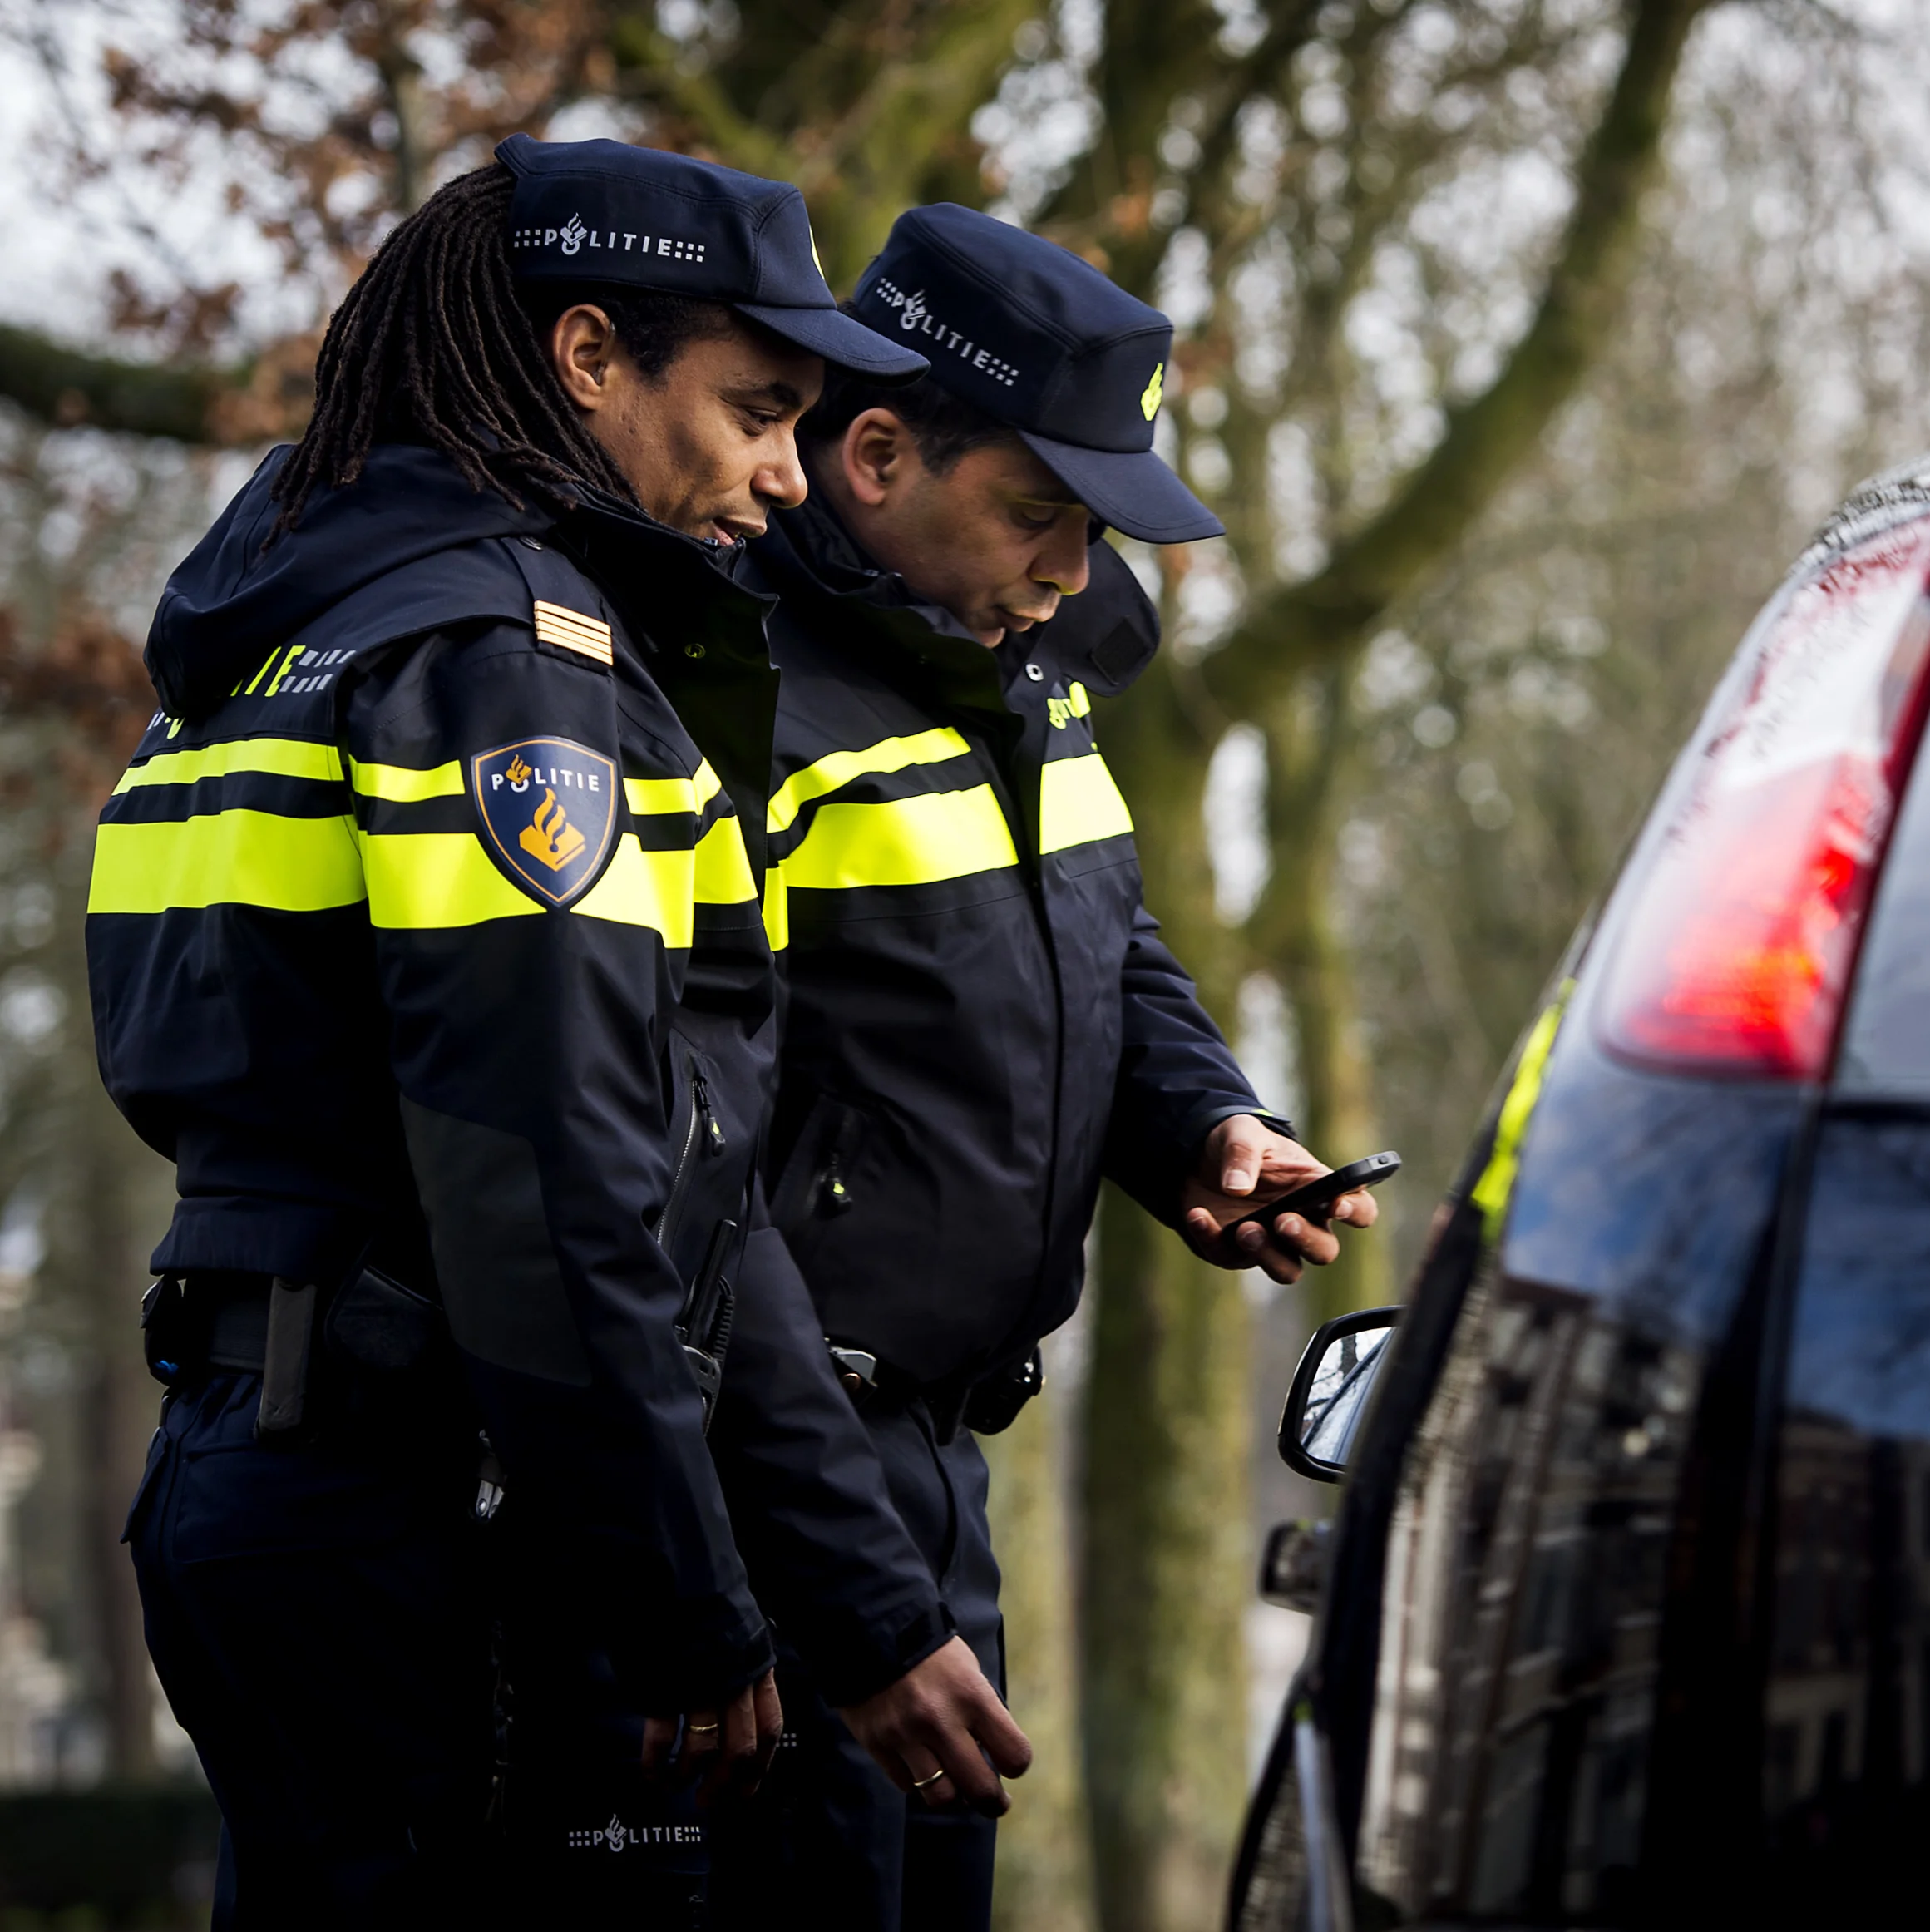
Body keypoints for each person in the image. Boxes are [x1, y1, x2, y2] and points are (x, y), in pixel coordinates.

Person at [87, 138, 1023, 1929]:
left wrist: (860, 1604)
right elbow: (560, 1184)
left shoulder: (281, 635)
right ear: (589, 355)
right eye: (756, 409)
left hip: (253, 1465)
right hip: (433, 1513)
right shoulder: (511, 662)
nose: (787, 474)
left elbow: (647, 1157)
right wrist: (691, 1604)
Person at [717, 203, 1376, 1928]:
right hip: (773, 1487)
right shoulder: (725, 701)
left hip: (946, 1459)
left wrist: (1206, 1126)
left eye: (1096, 529)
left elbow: (1106, 944)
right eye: (1038, 513)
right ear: (875, 455)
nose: (1076, 573)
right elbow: (673, 1163)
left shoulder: (1031, 660)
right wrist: (841, 1586)